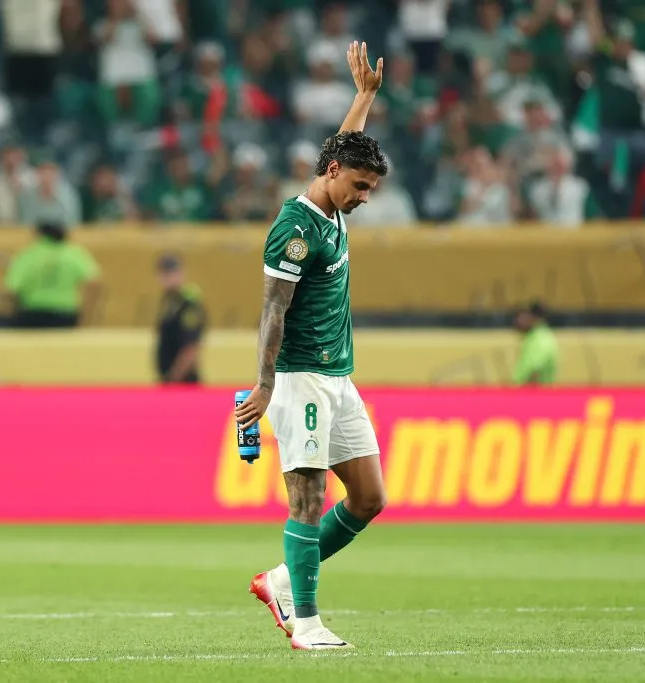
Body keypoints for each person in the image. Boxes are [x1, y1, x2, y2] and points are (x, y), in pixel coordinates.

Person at [234, 41, 387, 651]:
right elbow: (273, 308)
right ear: (331, 178)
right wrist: (267, 383)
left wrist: (364, 98)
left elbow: (340, 149)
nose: (364, 197)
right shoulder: (296, 230)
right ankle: (307, 623)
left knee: (370, 497)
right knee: (308, 496)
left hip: (338, 377)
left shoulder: (333, 204)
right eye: (359, 186)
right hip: (298, 378)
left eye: (371, 188)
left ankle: (279, 580)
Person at [4, 222, 102, 328]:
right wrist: (88, 315)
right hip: (66, 314)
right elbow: (94, 282)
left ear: (39, 235)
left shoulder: (28, 254)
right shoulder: (74, 253)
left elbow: (12, 288)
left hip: (33, 313)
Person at [154, 254, 206, 385]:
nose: (167, 278)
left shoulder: (188, 305)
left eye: (171, 273)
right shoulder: (169, 301)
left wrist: (173, 379)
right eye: (164, 274)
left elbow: (190, 348)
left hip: (183, 382)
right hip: (171, 379)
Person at [512, 301, 559, 386]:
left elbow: (534, 370)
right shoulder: (537, 337)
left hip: (534, 395)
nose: (516, 321)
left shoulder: (540, 339)